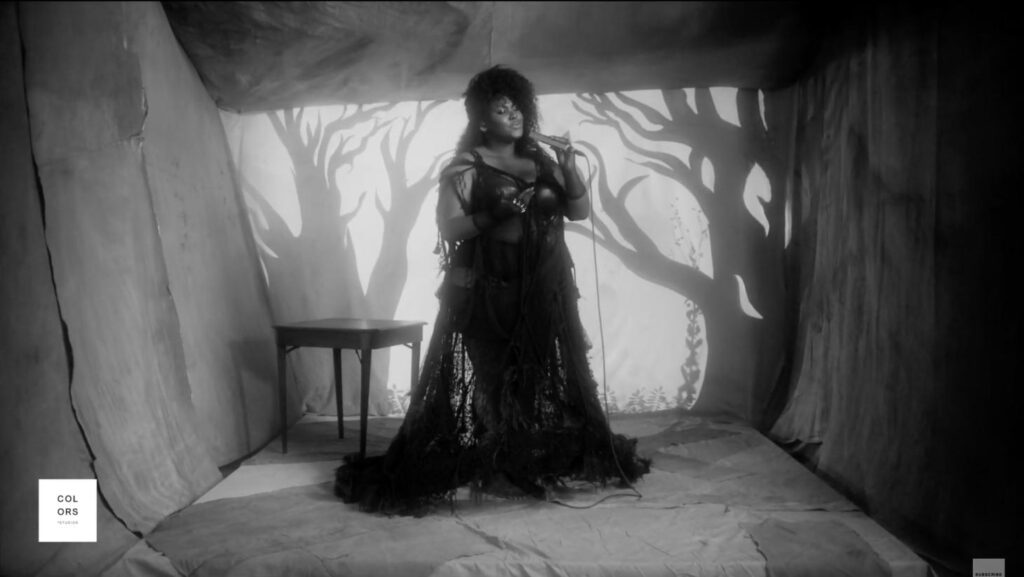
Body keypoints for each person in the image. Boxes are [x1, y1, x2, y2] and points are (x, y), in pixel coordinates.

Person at [335, 65, 650, 514]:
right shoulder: (467, 166)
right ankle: (500, 467)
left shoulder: (543, 162)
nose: (515, 115)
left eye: (518, 107)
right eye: (502, 110)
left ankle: (518, 461)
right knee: (495, 380)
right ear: (483, 120)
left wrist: (568, 168)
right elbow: (450, 227)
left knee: (532, 378)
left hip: (546, 289)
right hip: (489, 290)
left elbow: (578, 212)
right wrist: (497, 213)